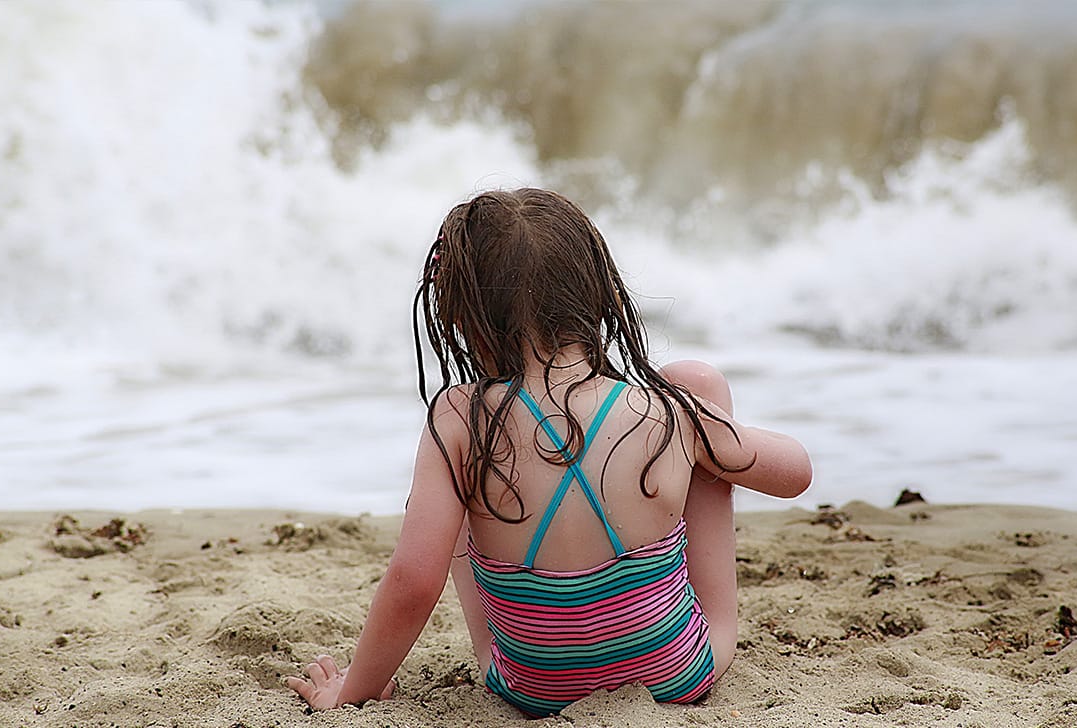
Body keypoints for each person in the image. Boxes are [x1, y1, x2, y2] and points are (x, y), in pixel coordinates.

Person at [286, 188, 811, 716]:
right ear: (600, 295)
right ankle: (716, 625)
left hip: (530, 690)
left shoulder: (460, 417)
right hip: (680, 673)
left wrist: (352, 691)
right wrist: (707, 430)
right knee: (698, 384)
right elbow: (796, 474)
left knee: (462, 471)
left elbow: (415, 581)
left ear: (466, 318)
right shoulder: (668, 412)